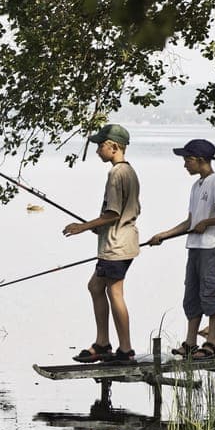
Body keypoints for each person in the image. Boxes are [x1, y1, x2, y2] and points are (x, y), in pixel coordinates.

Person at [148, 139, 215, 360]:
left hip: (211, 248)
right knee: (191, 295)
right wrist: (163, 235)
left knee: (210, 293)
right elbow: (189, 222)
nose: (185, 164)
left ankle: (212, 344)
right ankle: (190, 343)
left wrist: (207, 222)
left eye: (187, 160)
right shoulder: (196, 185)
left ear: (200, 160)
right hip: (195, 248)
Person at [63, 124, 141, 365]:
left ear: (114, 147)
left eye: (100, 145)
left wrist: (82, 227)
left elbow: (114, 213)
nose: (97, 150)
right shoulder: (129, 172)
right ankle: (103, 343)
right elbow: (124, 211)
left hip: (116, 246)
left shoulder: (117, 173)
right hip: (118, 242)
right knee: (96, 287)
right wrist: (98, 225)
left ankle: (125, 349)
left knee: (114, 292)